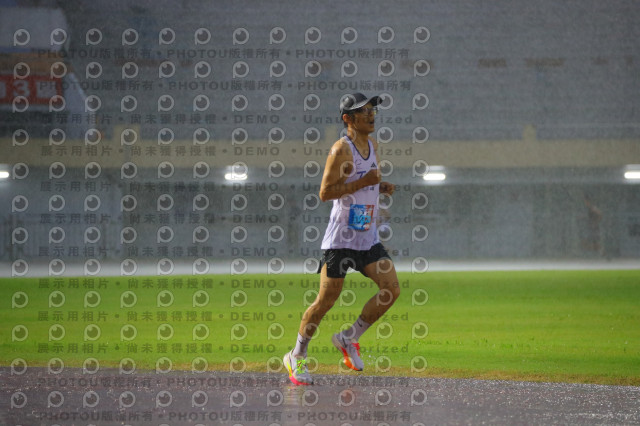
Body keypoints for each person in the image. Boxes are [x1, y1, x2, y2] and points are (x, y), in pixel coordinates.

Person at [283, 93, 401, 385]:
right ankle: (296, 355)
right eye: (363, 111)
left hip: (367, 236)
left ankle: (348, 338)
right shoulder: (340, 150)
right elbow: (325, 192)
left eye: (372, 110)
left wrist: (378, 187)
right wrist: (364, 182)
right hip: (341, 240)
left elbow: (364, 185)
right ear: (348, 119)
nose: (371, 115)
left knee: (390, 290)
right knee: (325, 301)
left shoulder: (372, 145)